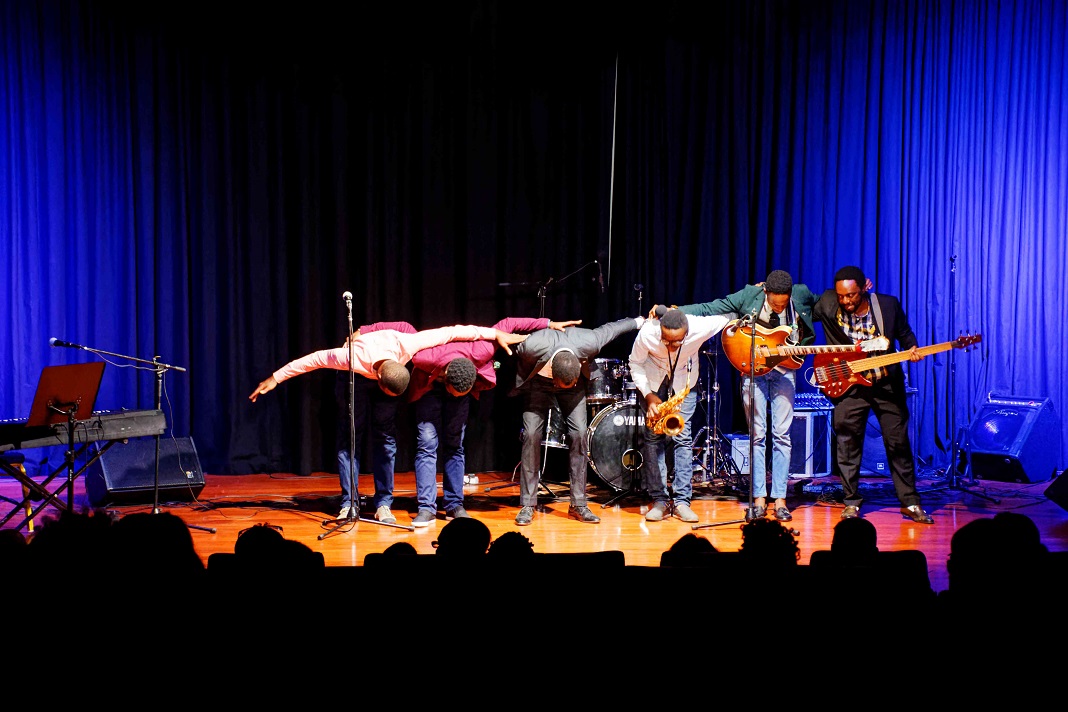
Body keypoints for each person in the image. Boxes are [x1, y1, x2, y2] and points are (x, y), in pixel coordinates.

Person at [249, 321, 528, 524]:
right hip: (357, 377)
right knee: (352, 439)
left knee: (386, 440)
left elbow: (454, 331)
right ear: (381, 383)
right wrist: (275, 378)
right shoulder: (347, 357)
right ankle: (349, 502)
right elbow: (311, 361)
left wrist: (495, 334)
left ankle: (383, 503)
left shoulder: (408, 345)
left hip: (390, 373)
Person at [405, 317, 580, 527]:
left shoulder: (482, 351)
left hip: (460, 376)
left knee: (455, 445)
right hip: (429, 388)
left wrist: (548, 324)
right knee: (427, 445)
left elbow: (508, 323)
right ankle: (426, 508)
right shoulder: (424, 358)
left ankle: (454, 504)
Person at [678, 270, 819, 522]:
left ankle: (780, 500)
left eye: (783, 303)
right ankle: (758, 499)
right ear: (765, 291)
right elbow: (712, 307)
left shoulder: (801, 294)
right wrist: (677, 310)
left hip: (786, 371)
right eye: (775, 303)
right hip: (754, 370)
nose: (779, 307)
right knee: (757, 437)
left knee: (782, 436)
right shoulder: (750, 295)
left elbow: (827, 307)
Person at [812, 265, 933, 523]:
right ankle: (851, 502)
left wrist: (912, 349)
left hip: (886, 384)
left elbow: (905, 334)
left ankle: (910, 502)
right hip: (851, 386)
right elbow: (800, 306)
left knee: (898, 443)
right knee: (847, 443)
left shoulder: (887, 306)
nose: (846, 301)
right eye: (841, 296)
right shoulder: (827, 302)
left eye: (851, 295)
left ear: (864, 287)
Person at [508, 315, 646, 526]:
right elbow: (511, 346)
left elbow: (612, 328)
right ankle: (528, 504)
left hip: (574, 388)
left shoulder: (589, 342)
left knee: (580, 433)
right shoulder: (531, 347)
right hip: (538, 383)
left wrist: (640, 320)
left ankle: (578, 504)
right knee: (531, 435)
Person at [629, 307, 730, 523]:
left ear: (687, 332)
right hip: (653, 382)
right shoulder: (648, 333)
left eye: (677, 342)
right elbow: (635, 363)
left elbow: (727, 316)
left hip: (684, 382)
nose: (672, 346)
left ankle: (682, 501)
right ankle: (659, 500)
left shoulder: (700, 327)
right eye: (666, 341)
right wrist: (648, 395)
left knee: (683, 438)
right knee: (652, 438)